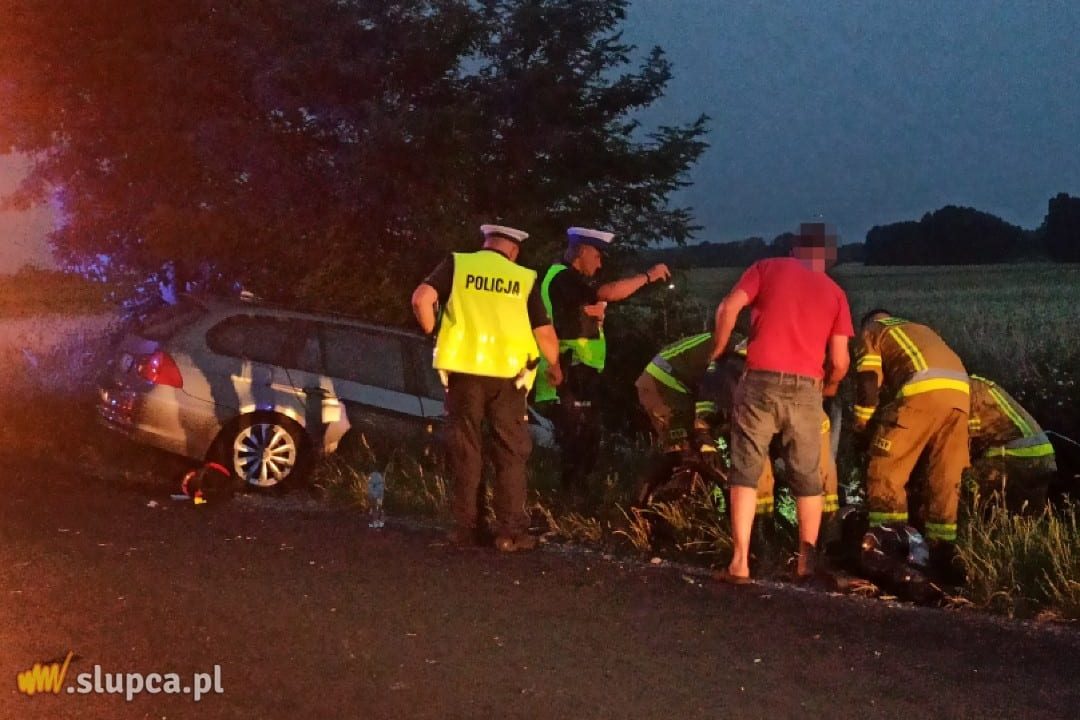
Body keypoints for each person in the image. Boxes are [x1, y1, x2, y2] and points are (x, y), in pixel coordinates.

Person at [712, 223, 852, 583]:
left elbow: (729, 307)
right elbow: (840, 361)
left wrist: (719, 349)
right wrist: (830, 387)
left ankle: (740, 563)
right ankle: (805, 563)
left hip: (759, 379)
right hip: (807, 388)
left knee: (745, 468)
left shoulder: (766, 268)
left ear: (794, 250)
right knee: (807, 476)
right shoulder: (836, 294)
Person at [411, 224, 562, 552]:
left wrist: (431, 330)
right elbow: (545, 335)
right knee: (510, 453)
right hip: (509, 378)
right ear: (514, 251)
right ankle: (510, 533)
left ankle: (466, 530)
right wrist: (556, 367)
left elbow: (421, 299)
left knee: (466, 450)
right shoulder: (524, 278)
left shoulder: (458, 264)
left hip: (463, 375)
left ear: (485, 243)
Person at [533, 226, 671, 493]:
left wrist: (593, 314)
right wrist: (648, 276)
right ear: (582, 251)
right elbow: (607, 293)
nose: (600, 262)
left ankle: (572, 498)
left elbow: (585, 310)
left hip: (575, 370)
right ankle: (570, 501)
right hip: (568, 371)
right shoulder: (564, 278)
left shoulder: (566, 281)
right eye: (597, 255)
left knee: (584, 438)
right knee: (578, 440)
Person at [852, 309, 969, 581]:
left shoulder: (872, 330)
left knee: (885, 471)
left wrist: (861, 426)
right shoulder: (920, 328)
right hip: (960, 396)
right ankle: (942, 555)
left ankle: (888, 551)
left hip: (920, 391)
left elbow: (868, 381)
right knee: (944, 478)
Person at [967, 374, 1057, 513]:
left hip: (1014, 456)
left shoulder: (965, 391)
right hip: (1043, 455)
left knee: (960, 490)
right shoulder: (978, 384)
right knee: (1026, 520)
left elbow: (965, 441)